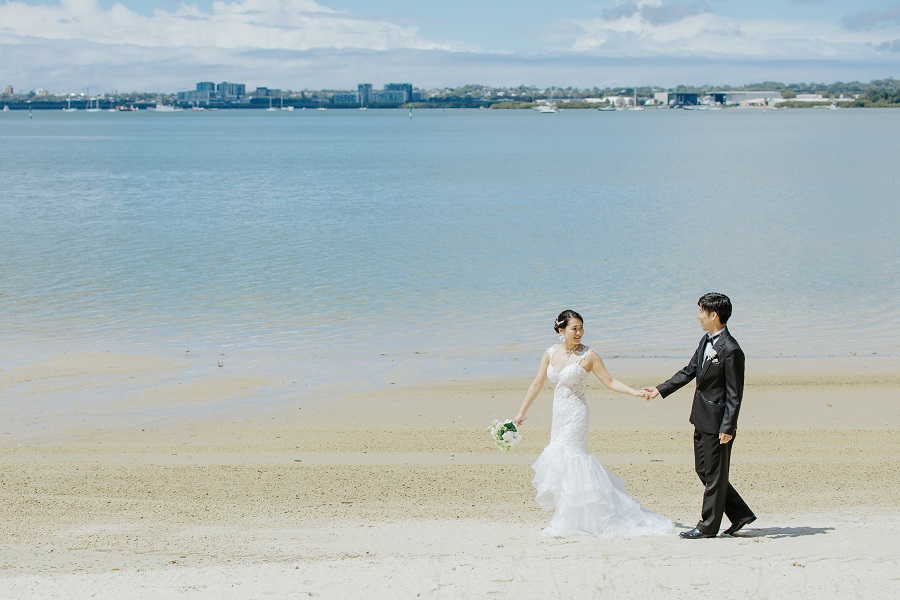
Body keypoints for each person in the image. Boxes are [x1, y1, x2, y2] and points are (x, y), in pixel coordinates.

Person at [513, 310, 672, 537]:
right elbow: (537, 384)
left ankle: (579, 519)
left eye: (581, 328)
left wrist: (634, 392)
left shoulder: (589, 355)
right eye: (574, 328)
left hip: (577, 414)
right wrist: (522, 412)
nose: (579, 332)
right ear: (561, 330)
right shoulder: (550, 353)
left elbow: (610, 381)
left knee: (574, 458)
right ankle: (569, 516)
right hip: (559, 414)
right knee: (561, 460)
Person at [644, 293, 756, 538]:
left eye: (701, 312)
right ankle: (740, 514)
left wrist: (728, 426)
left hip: (719, 423)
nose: (698, 316)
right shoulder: (705, 341)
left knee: (715, 475)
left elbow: (735, 393)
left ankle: (707, 526)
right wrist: (660, 390)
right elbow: (689, 371)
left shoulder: (732, 349)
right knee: (704, 470)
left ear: (713, 315)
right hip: (701, 416)